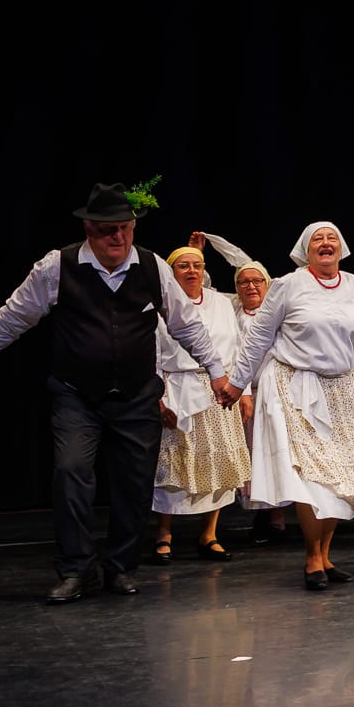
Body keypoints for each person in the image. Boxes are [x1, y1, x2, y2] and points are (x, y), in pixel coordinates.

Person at [0, 183, 235, 604]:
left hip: (137, 396)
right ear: (88, 228)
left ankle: (120, 567)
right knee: (70, 472)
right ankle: (75, 569)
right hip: (77, 395)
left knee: (134, 484)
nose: (117, 237)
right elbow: (14, 316)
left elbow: (185, 325)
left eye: (124, 228)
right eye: (107, 229)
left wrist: (216, 372)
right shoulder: (58, 266)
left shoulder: (152, 267)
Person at [221, 222, 354, 591]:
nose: (325, 242)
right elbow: (259, 337)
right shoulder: (288, 285)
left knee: (341, 479)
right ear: (306, 249)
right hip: (297, 388)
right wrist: (238, 383)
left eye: (331, 237)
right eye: (317, 238)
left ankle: (325, 554)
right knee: (313, 478)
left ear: (341, 247)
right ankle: (312, 558)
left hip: (345, 390)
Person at [147, 238, 254, 565]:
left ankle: (209, 533)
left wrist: (244, 390)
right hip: (176, 388)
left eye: (197, 265)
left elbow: (238, 347)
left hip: (219, 390)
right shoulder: (160, 305)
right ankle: (164, 533)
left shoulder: (220, 302)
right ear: (171, 272)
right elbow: (152, 355)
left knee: (219, 461)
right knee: (173, 465)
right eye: (183, 266)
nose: (191, 271)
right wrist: (158, 398)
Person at [225, 257, 289, 545]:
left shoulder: (277, 314)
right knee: (252, 454)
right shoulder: (232, 313)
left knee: (276, 452)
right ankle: (262, 512)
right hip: (243, 393)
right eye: (243, 282)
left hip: (274, 391)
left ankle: (277, 516)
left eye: (256, 281)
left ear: (267, 284)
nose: (250, 286)